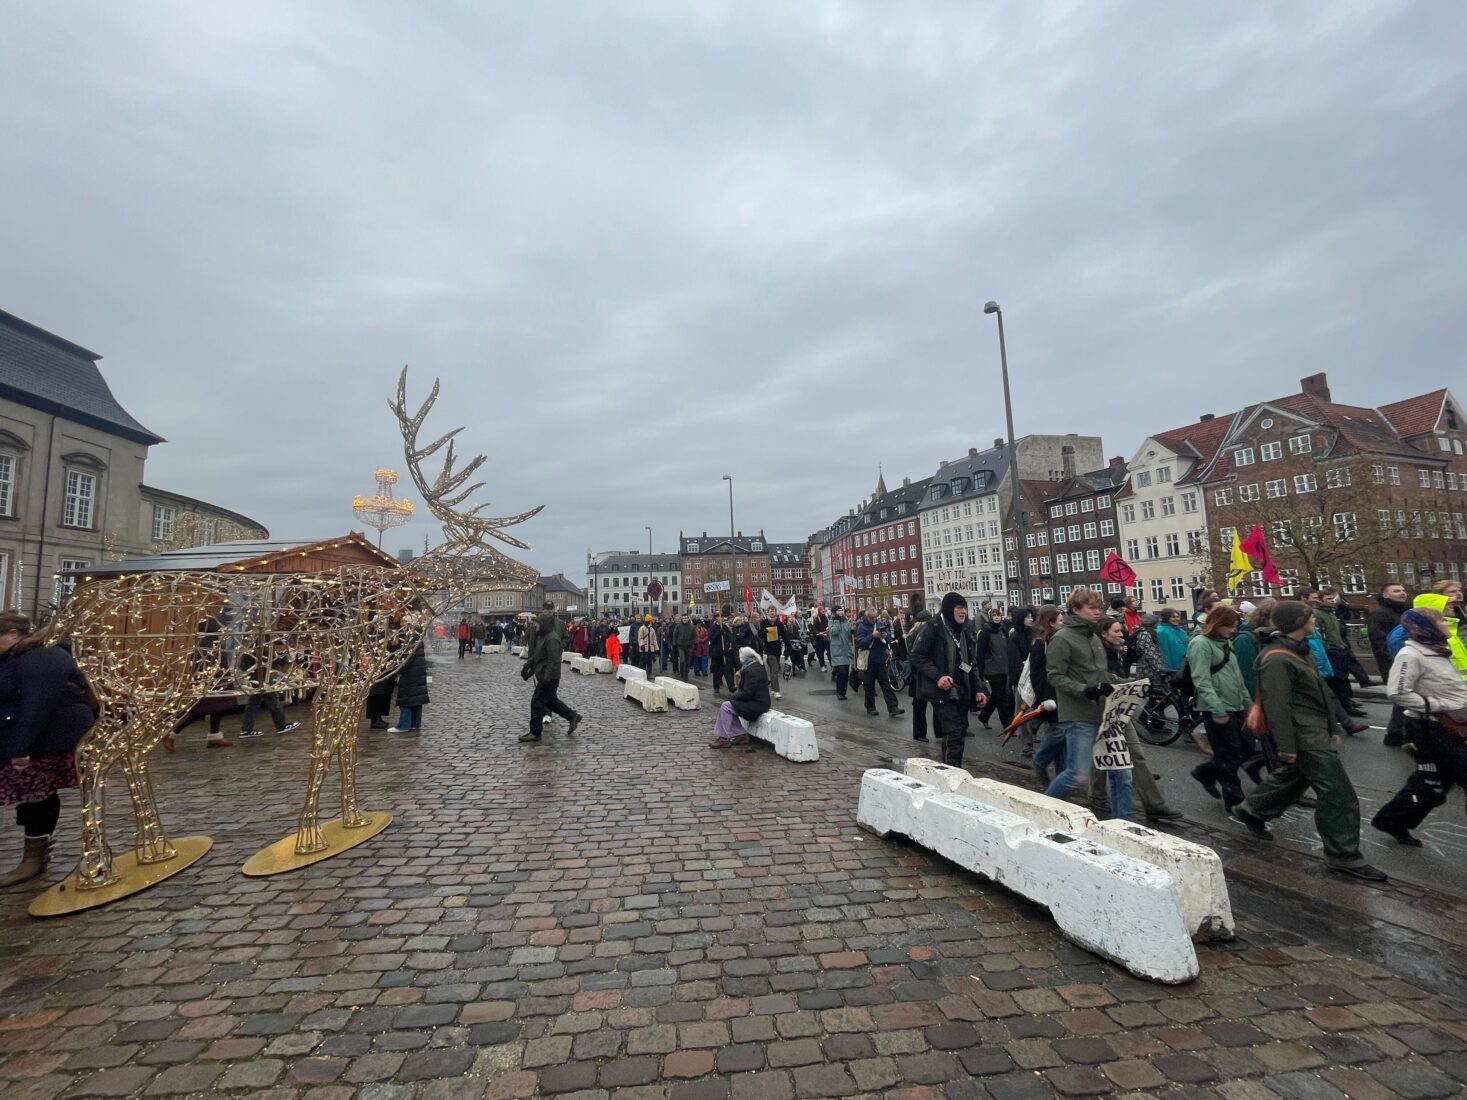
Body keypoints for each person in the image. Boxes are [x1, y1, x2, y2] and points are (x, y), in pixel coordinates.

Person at [1230, 601, 1386, 881]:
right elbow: (1277, 706)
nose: (1314, 620)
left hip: (1314, 730)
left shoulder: (1299, 652)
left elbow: (1320, 693)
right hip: (1304, 735)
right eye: (1309, 617)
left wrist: (1334, 726)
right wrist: (1287, 746)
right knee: (1339, 795)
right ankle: (1343, 854)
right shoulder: (1277, 658)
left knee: (1296, 776)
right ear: (1297, 622)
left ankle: (1253, 809)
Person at [0, 612, 95, 887]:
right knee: (33, 794)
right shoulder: (17, 656)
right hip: (28, 736)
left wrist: (21, 748)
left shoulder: (41, 657)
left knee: (37, 793)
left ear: (13, 635)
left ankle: (34, 858)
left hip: (48, 738)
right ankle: (35, 854)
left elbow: (36, 706)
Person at [1371, 607, 1467, 845]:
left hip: (1451, 725)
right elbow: (1397, 692)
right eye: (1441, 620)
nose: (1447, 623)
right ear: (1426, 627)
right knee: (1437, 781)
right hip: (1430, 728)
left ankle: (1392, 820)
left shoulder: (1436, 650)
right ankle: (1393, 820)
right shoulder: (1410, 655)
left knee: (1432, 784)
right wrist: (1435, 705)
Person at [1042, 589, 1130, 819]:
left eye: (1099, 607)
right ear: (1075, 610)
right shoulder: (1062, 639)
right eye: (1091, 607)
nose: (1097, 611)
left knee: (1122, 775)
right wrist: (1086, 690)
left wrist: (1129, 683)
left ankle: (1124, 827)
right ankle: (1041, 809)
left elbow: (1101, 675)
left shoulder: (1093, 638)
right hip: (1080, 715)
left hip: (1106, 715)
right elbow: (1054, 676)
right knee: (1077, 775)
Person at [1089, 616, 1182, 822]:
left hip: (1119, 708)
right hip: (1103, 711)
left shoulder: (1114, 651)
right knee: (1103, 754)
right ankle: (1097, 797)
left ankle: (1154, 805)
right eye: (1116, 631)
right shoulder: (1097, 653)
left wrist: (1132, 684)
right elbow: (1104, 680)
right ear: (1103, 633)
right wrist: (1133, 682)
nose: (1121, 634)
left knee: (1134, 755)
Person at [909, 591, 987, 766]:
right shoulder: (933, 627)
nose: (963, 612)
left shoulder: (965, 629)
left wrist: (979, 689)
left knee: (958, 733)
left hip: (962, 689)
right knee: (955, 733)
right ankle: (954, 774)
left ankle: (947, 771)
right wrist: (937, 677)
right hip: (941, 691)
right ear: (949, 609)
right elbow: (916, 656)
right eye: (959, 608)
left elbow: (969, 663)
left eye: (964, 608)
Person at [1186, 606, 1251, 812]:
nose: (1233, 630)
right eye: (1229, 626)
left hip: (1236, 704)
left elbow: (1237, 677)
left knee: (1245, 749)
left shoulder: (1226, 643)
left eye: (1235, 626)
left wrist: (1248, 705)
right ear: (1217, 624)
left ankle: (1205, 772)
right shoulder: (1200, 644)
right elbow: (1201, 680)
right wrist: (1217, 709)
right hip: (1217, 708)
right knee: (1228, 757)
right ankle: (1235, 802)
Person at [520, 603, 582, 743]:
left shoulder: (552, 639)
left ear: (544, 624)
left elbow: (553, 662)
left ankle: (535, 732)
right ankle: (573, 716)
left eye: (537, 624)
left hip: (549, 677)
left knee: (536, 702)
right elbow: (537, 655)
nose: (535, 626)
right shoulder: (544, 636)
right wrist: (527, 667)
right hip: (544, 674)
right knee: (550, 701)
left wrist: (546, 679)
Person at [1368, 584, 1411, 747]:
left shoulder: (1407, 612)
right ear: (1385, 595)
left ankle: (1397, 732)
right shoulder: (1379, 615)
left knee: (1404, 700)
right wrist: (1395, 662)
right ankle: (1396, 733)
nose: (1402, 593)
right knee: (1403, 699)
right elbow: (1379, 643)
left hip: (1406, 661)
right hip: (1395, 664)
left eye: (1402, 590)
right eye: (1397, 591)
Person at [1308, 589, 1363, 717]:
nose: (1332, 601)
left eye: (1332, 599)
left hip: (1339, 648)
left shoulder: (1332, 614)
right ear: (1320, 601)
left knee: (1343, 677)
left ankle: (1346, 703)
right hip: (1331, 650)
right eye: (1328, 599)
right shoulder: (1318, 614)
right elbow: (1320, 633)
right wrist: (1328, 647)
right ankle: (1345, 707)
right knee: (1336, 680)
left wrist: (1342, 646)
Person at [710, 646, 770, 748]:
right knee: (729, 706)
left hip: (757, 704)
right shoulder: (755, 666)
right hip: (759, 702)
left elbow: (747, 693)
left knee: (726, 706)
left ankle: (724, 737)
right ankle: (740, 734)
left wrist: (733, 697)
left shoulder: (751, 670)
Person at [857, 609, 903, 718]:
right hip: (869, 661)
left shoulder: (879, 624)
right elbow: (861, 642)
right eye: (872, 618)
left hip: (881, 659)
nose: (874, 619)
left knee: (886, 685)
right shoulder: (861, 627)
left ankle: (893, 707)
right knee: (869, 687)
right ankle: (870, 707)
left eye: (875, 617)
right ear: (867, 617)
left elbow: (888, 639)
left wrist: (884, 636)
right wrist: (872, 636)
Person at [975, 605, 1013, 730]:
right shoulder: (985, 632)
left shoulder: (1003, 630)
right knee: (1001, 696)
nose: (997, 618)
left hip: (1003, 667)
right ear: (990, 617)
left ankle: (984, 716)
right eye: (994, 615)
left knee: (997, 695)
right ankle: (1007, 725)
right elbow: (980, 652)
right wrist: (980, 671)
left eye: (998, 615)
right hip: (991, 668)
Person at [387, 640, 429, 734]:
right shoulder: (418, 636)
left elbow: (405, 659)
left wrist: (396, 671)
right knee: (416, 698)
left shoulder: (410, 638)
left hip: (410, 673)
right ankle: (415, 723)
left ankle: (404, 725)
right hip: (417, 672)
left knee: (406, 698)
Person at [904, 610, 932, 742]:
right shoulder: (921, 633)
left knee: (919, 706)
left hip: (918, 674)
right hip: (920, 674)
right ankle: (920, 733)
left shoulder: (912, 633)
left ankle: (919, 732)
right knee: (922, 705)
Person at [758, 611, 786, 699]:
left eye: (773, 611)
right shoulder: (764, 622)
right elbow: (759, 635)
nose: (772, 613)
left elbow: (784, 635)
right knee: (775, 670)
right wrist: (765, 631)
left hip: (777, 650)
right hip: (769, 650)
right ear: (768, 613)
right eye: (770, 611)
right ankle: (777, 691)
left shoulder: (779, 623)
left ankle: (773, 690)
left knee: (772, 671)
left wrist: (788, 646)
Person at [828, 608, 853, 701]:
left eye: (841, 610)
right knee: (841, 672)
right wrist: (837, 622)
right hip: (837, 650)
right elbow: (834, 631)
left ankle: (843, 692)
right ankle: (839, 691)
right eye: (838, 610)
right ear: (835, 612)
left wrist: (853, 630)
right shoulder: (832, 622)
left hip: (846, 650)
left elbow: (849, 633)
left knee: (846, 673)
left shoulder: (846, 622)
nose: (840, 612)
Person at [1156, 610, 1189, 676]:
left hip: (1183, 665)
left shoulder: (1181, 631)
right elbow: (1163, 651)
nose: (1176, 619)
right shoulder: (1161, 631)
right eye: (1173, 617)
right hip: (1171, 667)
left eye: (1178, 616)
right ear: (1166, 618)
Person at [673, 615, 696, 683]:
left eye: (686, 618)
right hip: (680, 646)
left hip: (689, 646)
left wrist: (694, 643)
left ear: (688, 619)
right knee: (682, 660)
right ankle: (682, 674)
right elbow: (675, 634)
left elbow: (694, 636)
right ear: (682, 619)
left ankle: (686, 674)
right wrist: (674, 643)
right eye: (683, 618)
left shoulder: (692, 626)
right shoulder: (678, 626)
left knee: (688, 661)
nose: (685, 619)